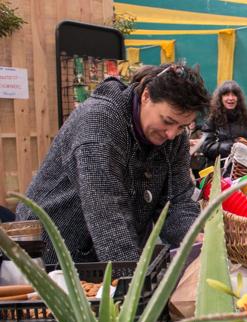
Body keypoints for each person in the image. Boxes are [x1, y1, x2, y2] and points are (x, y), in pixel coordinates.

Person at [16, 64, 210, 264]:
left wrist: (193, 237)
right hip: (52, 253)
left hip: (108, 256)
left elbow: (177, 201)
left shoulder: (174, 138)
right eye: (167, 121)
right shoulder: (99, 122)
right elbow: (107, 212)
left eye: (182, 127)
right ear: (146, 96)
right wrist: (130, 282)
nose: (171, 134)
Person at [197, 80, 247, 165]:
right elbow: (206, 147)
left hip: (243, 169)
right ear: (220, 98)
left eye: (234, 95)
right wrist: (230, 146)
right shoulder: (212, 120)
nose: (230, 98)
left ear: (238, 98)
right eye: (226, 95)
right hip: (218, 170)